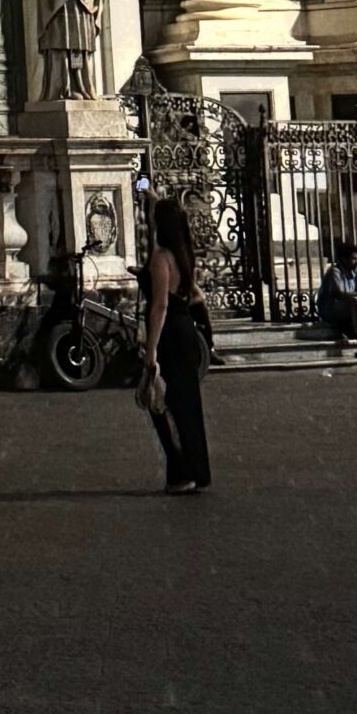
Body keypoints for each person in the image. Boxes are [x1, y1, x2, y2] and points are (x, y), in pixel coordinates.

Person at [141, 198, 211, 493]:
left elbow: (159, 306)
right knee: (187, 405)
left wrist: (151, 349)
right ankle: (195, 469)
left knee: (161, 404)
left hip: (169, 333)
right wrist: (149, 192)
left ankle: (179, 469)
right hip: (186, 330)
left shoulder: (161, 258)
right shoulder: (185, 256)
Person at [317, 241, 357, 358]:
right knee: (356, 301)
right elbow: (340, 293)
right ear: (344, 259)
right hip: (331, 309)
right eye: (353, 259)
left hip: (346, 306)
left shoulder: (356, 271)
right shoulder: (335, 271)